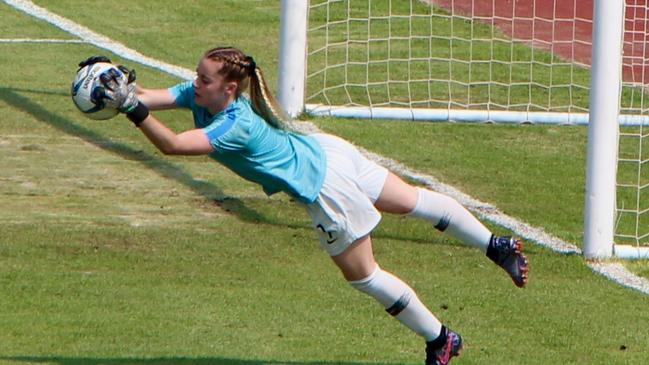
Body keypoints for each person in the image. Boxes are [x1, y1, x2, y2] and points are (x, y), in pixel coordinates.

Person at [81, 47, 529, 365]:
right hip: (328, 151)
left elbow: (174, 145)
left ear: (229, 87)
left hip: (325, 186)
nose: (194, 82)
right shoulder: (203, 94)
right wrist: (119, 83)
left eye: (203, 78)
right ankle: (497, 245)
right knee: (411, 201)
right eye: (197, 75)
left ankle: (441, 339)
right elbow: (156, 97)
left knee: (365, 276)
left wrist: (131, 110)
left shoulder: (234, 123)